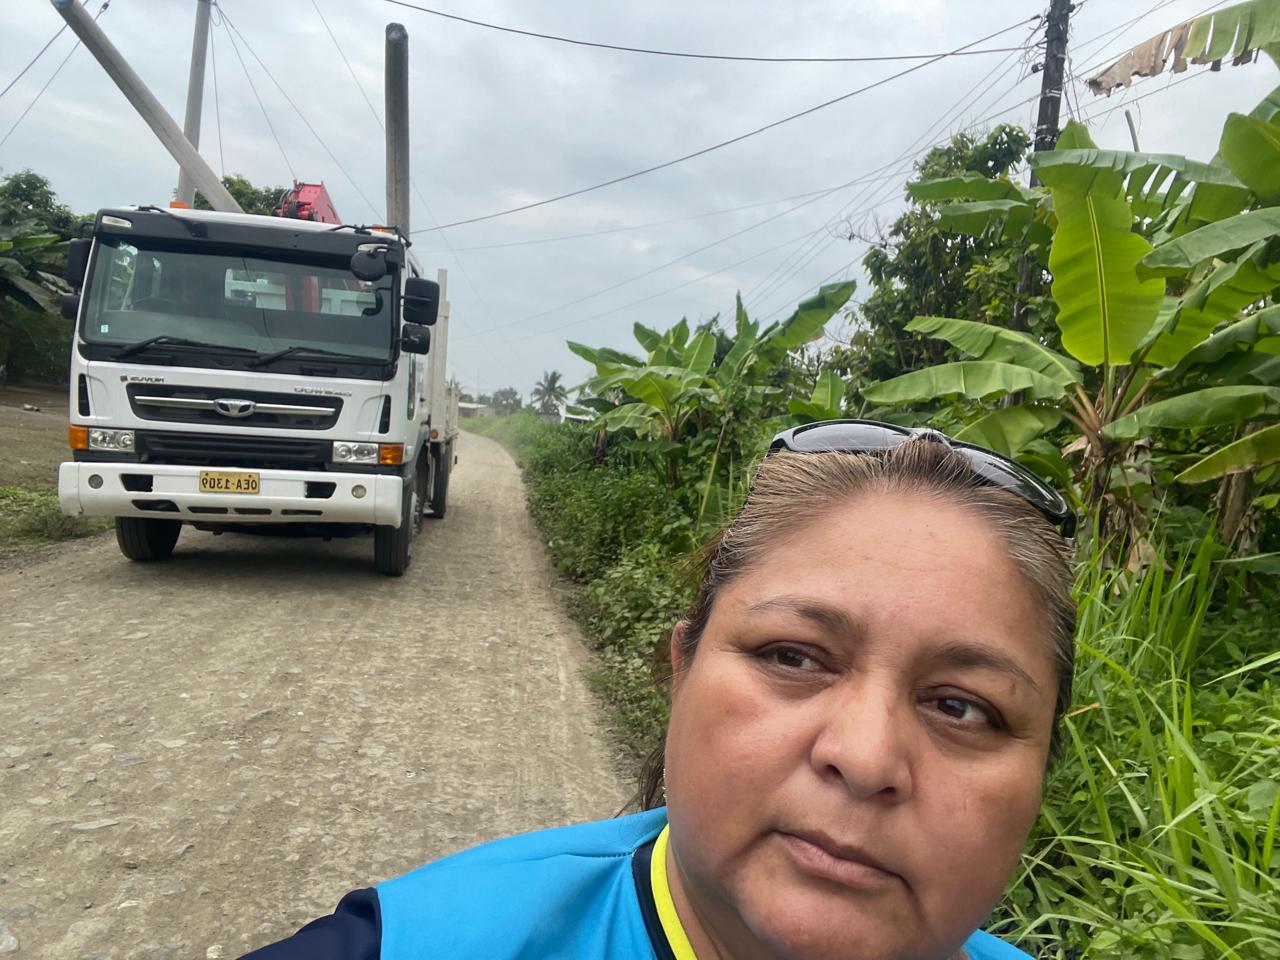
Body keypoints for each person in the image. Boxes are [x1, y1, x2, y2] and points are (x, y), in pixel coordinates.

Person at [240, 419, 1077, 960]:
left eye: (961, 707)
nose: (863, 757)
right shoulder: (423, 942)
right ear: (682, 670)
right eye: (794, 657)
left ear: (1042, 774)